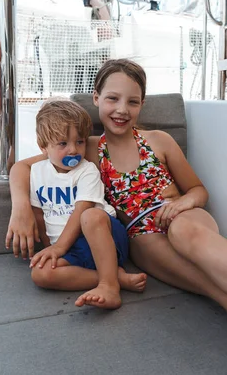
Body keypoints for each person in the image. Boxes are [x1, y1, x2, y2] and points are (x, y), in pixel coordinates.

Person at [6, 59, 227, 373]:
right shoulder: (84, 148)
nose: (121, 109)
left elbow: (198, 190)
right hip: (145, 237)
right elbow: (24, 167)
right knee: (225, 292)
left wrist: (181, 206)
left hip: (186, 219)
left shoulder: (159, 140)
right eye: (113, 98)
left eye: (132, 101)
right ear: (96, 98)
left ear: (142, 104)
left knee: (184, 231)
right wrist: (21, 209)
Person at [25, 98, 147, 309]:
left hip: (102, 237)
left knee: (89, 216)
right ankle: (113, 277)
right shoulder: (37, 172)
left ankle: (110, 287)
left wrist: (60, 247)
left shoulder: (87, 170)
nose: (73, 150)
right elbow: (39, 215)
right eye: (63, 143)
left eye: (80, 141)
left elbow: (83, 208)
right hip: (72, 250)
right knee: (41, 274)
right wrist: (50, 249)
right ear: (43, 146)